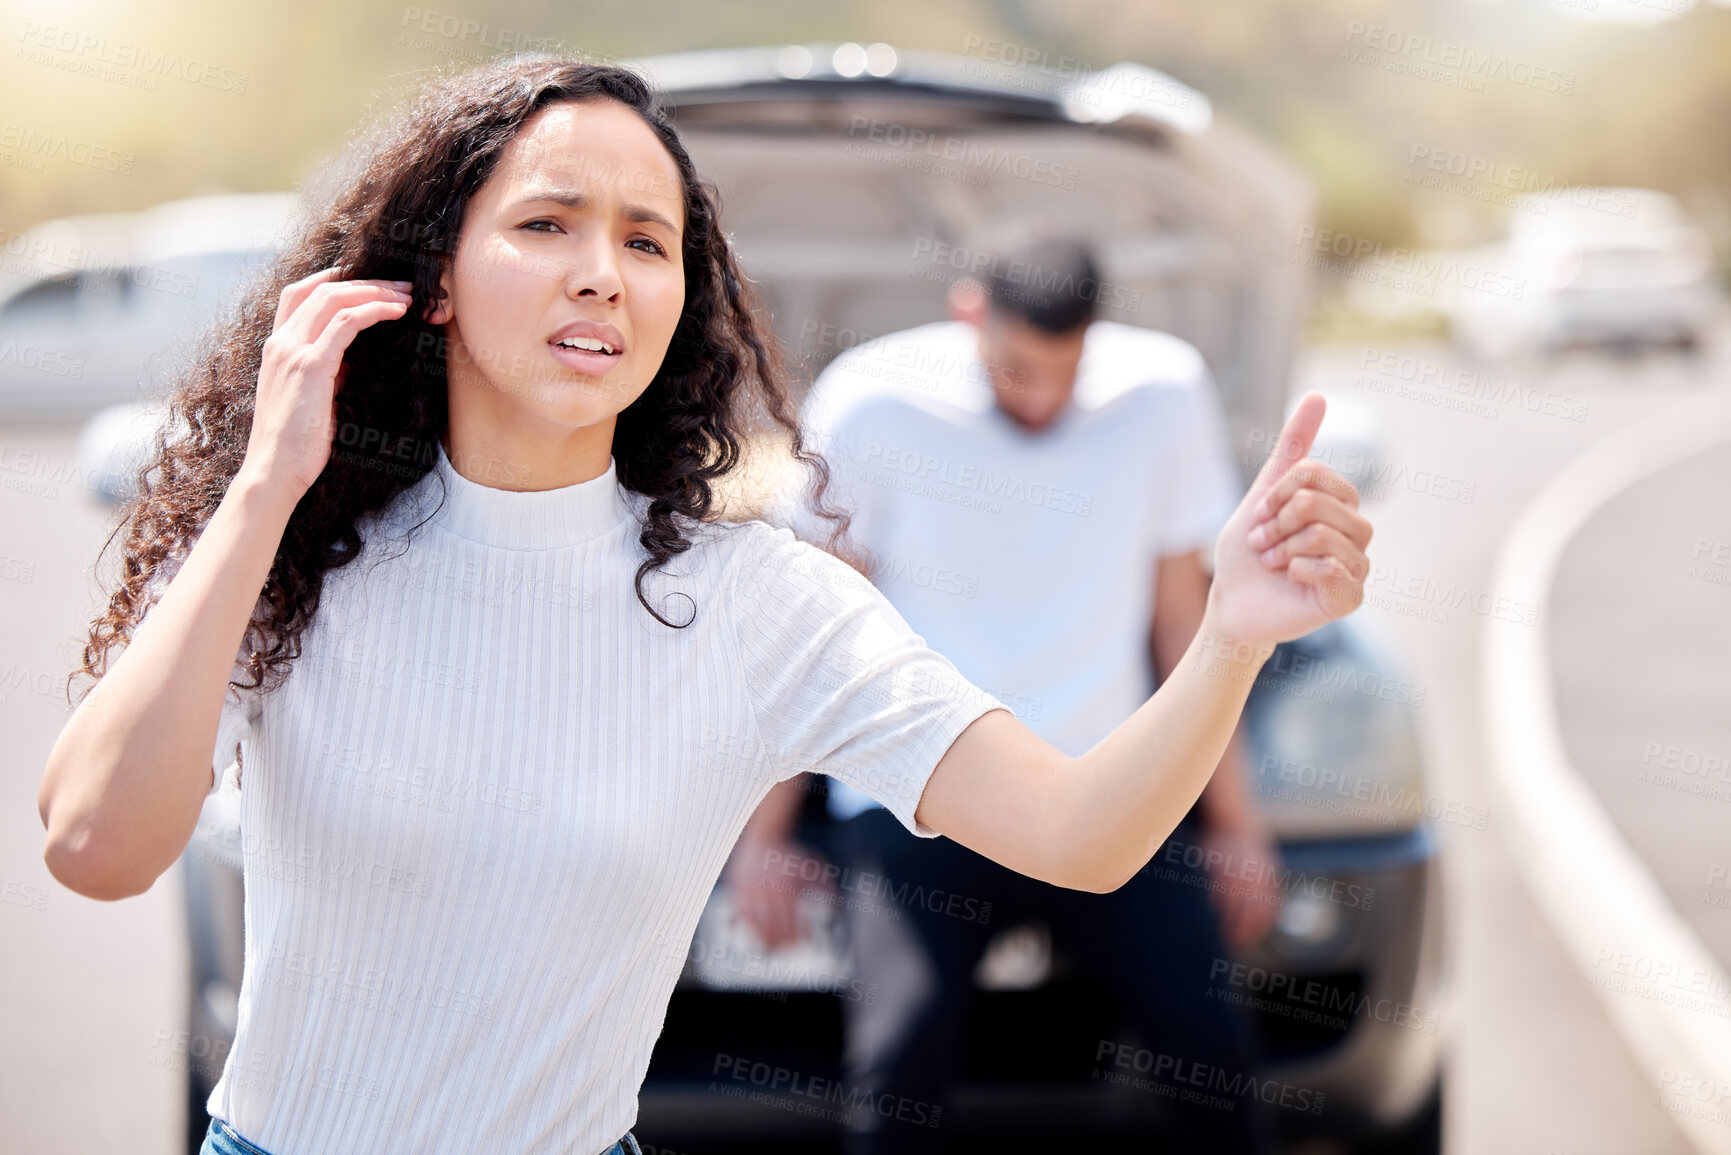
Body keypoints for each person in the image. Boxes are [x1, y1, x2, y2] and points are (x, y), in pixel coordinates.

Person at [34, 56, 1371, 1155]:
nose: (601, 272)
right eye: (546, 224)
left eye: (645, 240)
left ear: (677, 302)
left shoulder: (751, 597)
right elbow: (95, 842)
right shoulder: (287, 552)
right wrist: (265, 489)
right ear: (435, 279)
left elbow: (1078, 833)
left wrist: (1230, 633)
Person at [724, 234, 1288, 1152]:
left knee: (1213, 1065)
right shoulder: (872, 399)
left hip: (1107, 790)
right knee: (895, 1074)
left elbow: (1184, 619)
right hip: (920, 798)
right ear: (969, 314)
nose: (1043, 398)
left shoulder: (1161, 393)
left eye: (1064, 374)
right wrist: (765, 838)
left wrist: (1236, 825)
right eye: (1020, 370)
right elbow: (818, 627)